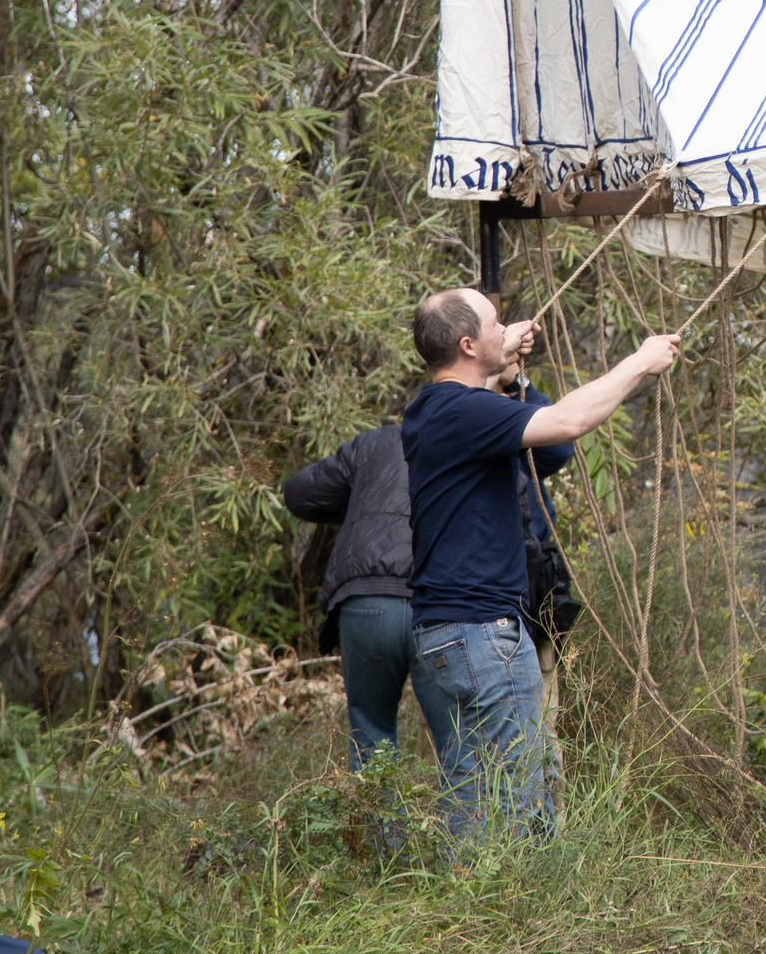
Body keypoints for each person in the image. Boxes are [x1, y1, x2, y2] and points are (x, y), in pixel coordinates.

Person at [403, 285, 678, 836]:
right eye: (496, 324)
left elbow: (548, 454)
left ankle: (471, 915)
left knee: (474, 806)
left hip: (448, 633)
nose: (507, 330)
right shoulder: (462, 410)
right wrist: (640, 363)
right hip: (481, 633)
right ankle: (521, 915)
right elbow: (569, 424)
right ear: (468, 345)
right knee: (519, 808)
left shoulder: (441, 409)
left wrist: (511, 379)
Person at [280, 329, 575, 770]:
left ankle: (380, 839)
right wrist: (516, 387)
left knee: (370, 736)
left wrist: (364, 504)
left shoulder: (379, 443)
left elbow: (301, 493)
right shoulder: (489, 442)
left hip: (367, 601)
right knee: (462, 743)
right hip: (436, 604)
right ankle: (463, 835)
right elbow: (556, 445)